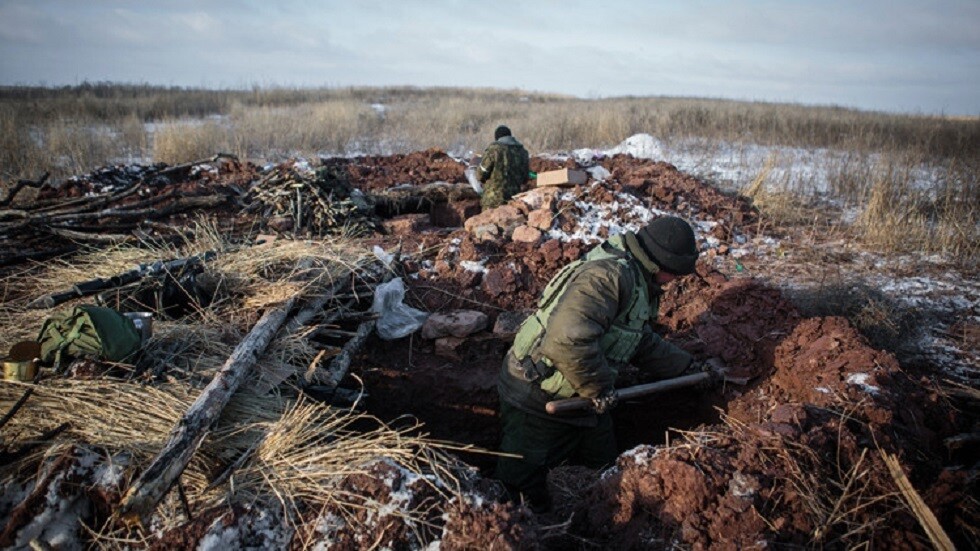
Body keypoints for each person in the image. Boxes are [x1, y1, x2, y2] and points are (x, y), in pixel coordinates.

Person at [495, 216, 712, 512]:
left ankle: (601, 526)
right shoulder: (609, 276)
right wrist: (598, 388)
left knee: (608, 472)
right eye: (675, 275)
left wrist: (688, 368)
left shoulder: (639, 277)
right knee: (522, 489)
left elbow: (639, 340)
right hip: (538, 397)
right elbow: (567, 339)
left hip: (585, 402)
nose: (674, 282)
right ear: (662, 265)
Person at [476, 125, 530, 210]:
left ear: (497, 138)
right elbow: (525, 178)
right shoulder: (522, 152)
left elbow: (481, 174)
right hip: (514, 199)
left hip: (493, 200)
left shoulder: (494, 150)